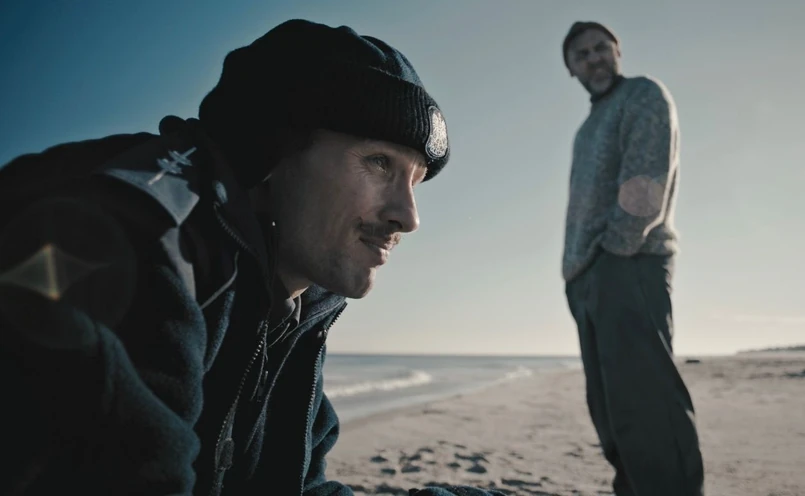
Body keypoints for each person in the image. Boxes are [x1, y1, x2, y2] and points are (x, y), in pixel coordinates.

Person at [0, 19, 506, 496]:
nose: (408, 217)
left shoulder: (294, 298)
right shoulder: (131, 244)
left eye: (415, 182)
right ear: (267, 150)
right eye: (378, 163)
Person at [560, 21, 705, 496]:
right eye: (581, 54)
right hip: (586, 275)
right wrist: (576, 273)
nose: (594, 58)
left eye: (601, 47)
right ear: (570, 68)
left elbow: (646, 176)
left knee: (648, 409)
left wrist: (615, 250)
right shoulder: (585, 129)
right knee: (611, 414)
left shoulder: (643, 94)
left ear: (618, 50)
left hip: (630, 263)